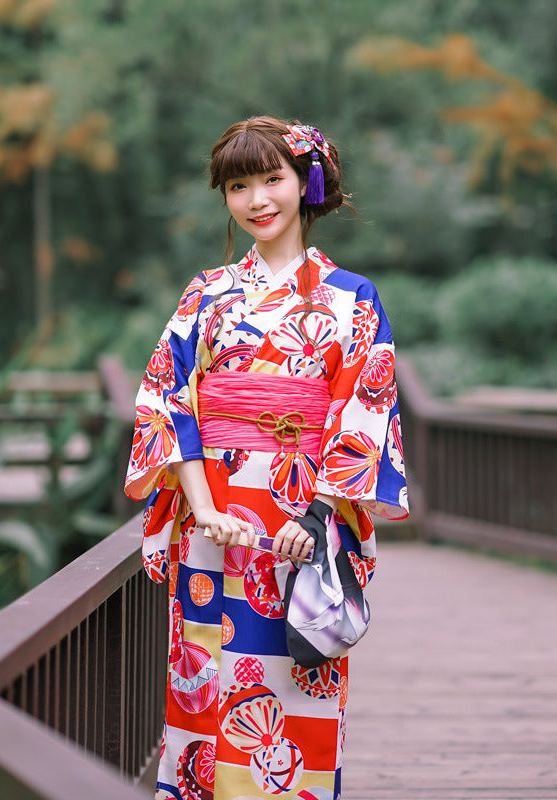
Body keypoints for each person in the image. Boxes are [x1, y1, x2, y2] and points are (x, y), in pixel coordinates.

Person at [124, 115, 409, 800]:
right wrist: (201, 508)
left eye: (271, 179)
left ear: (306, 183)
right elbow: (168, 400)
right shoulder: (206, 294)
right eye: (238, 185)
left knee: (294, 689)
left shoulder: (352, 299)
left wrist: (315, 516)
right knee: (205, 690)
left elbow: (363, 411)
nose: (256, 200)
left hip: (299, 523)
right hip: (214, 523)